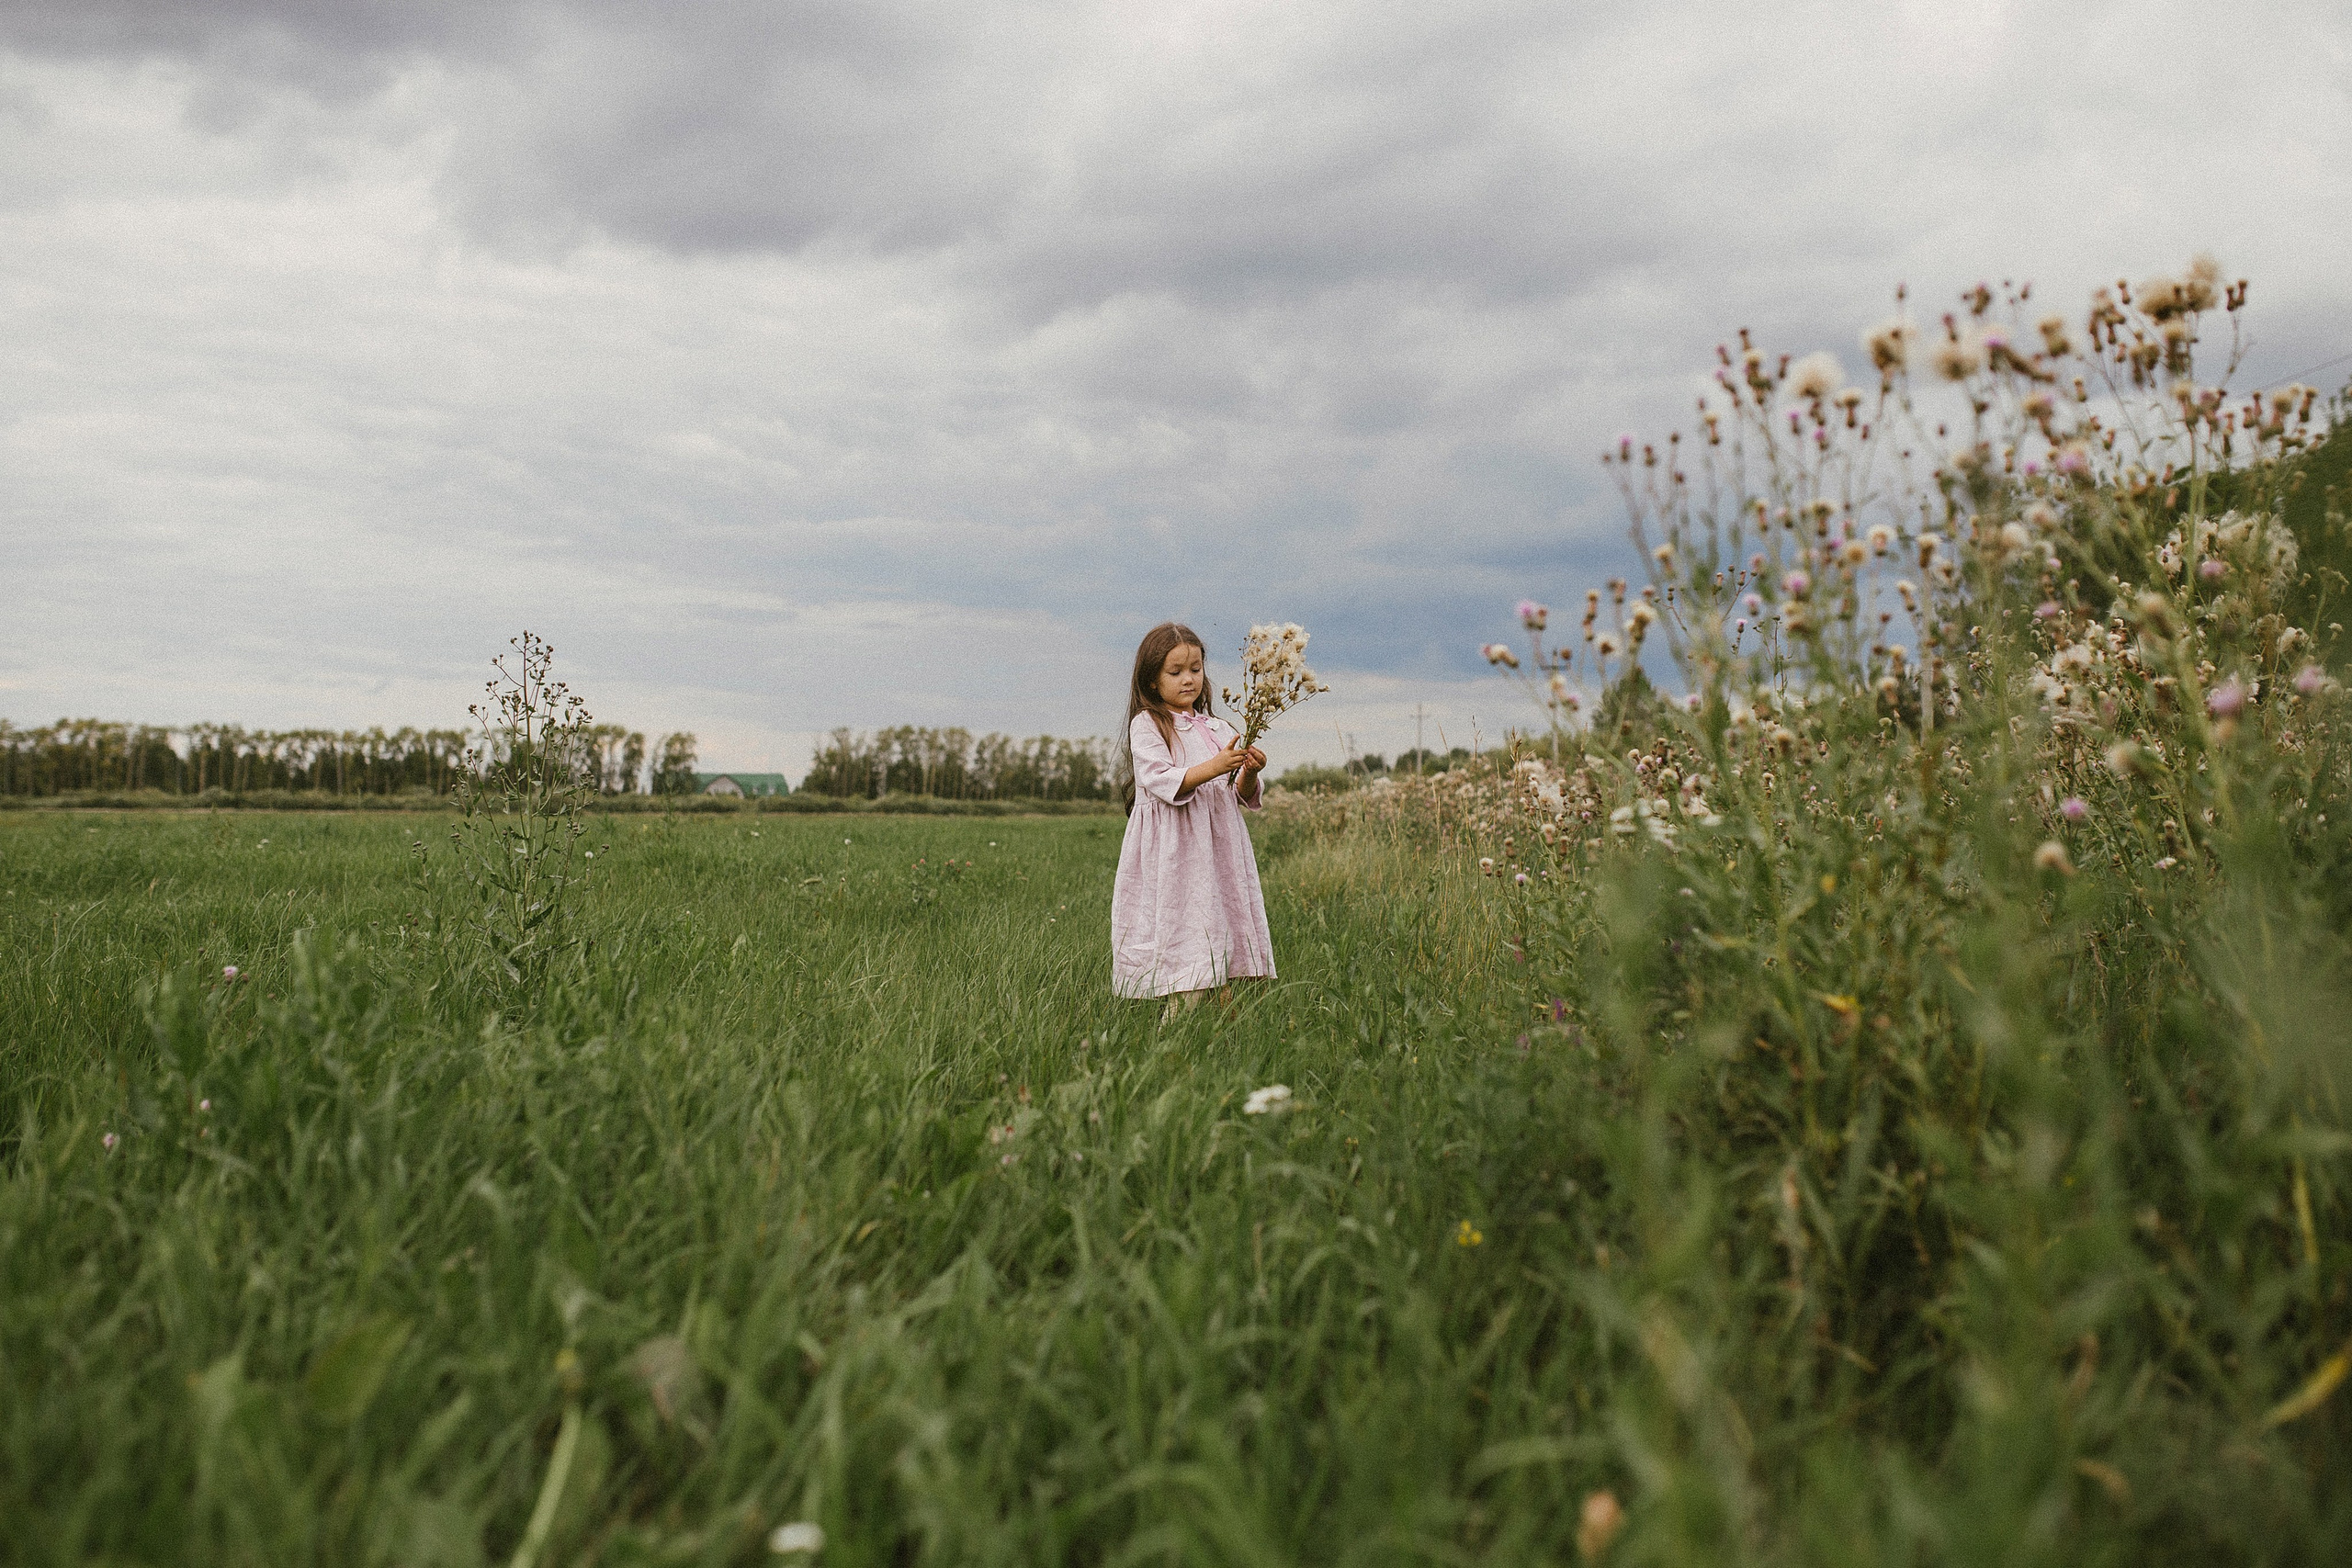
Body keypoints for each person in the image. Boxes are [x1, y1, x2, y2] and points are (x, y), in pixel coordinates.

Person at [1112, 621, 1274, 1013]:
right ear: (1152, 680)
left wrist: (1248, 771)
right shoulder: (1149, 725)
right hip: (1175, 852)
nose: (1189, 679)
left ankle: (1218, 1010)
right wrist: (1216, 765)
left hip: (1217, 850)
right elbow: (1160, 779)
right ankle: (1179, 1018)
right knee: (1184, 925)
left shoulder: (1219, 727)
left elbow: (1239, 794)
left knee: (1216, 922)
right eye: (1176, 671)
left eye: (1196, 669)